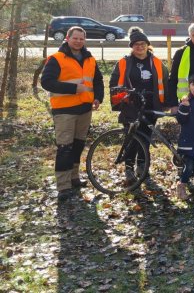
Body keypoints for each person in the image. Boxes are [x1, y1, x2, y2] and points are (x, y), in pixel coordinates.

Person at [41, 26, 104, 201]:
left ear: (85, 40)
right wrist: (73, 88)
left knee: (77, 145)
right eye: (75, 38)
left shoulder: (90, 59)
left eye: (81, 39)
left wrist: (98, 97)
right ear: (67, 38)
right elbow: (46, 82)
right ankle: (63, 186)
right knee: (64, 148)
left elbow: (98, 80)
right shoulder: (56, 59)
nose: (78, 41)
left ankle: (74, 178)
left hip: (85, 110)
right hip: (64, 111)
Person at [109, 27, 169, 184]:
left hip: (151, 106)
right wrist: (120, 100)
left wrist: (167, 103)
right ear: (131, 46)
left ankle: (142, 167)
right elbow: (114, 83)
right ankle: (129, 169)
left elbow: (166, 82)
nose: (140, 47)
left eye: (143, 43)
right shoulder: (124, 62)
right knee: (131, 139)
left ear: (147, 44)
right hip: (130, 106)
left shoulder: (156, 62)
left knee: (146, 138)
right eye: (136, 44)